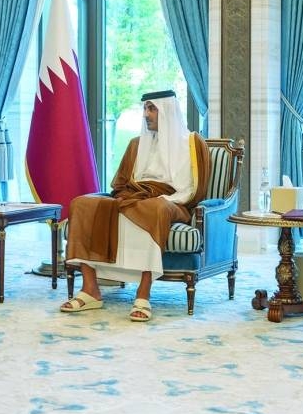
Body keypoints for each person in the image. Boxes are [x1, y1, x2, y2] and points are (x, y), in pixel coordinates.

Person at [60, 90, 210, 321]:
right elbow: (120, 183)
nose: (146, 115)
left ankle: (143, 293)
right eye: (145, 109)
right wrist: (131, 196)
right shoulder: (136, 144)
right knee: (81, 204)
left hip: (172, 201)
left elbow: (194, 189)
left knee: (154, 208)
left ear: (167, 111)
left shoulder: (192, 143)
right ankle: (90, 288)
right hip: (134, 196)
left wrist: (164, 199)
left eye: (152, 109)